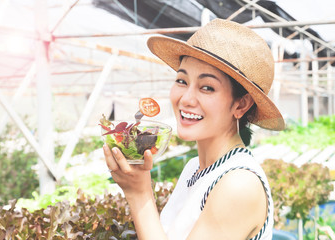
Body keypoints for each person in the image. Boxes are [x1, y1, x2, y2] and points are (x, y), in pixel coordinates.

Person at [103, 18, 285, 240]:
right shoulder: (194, 168)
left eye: (207, 87)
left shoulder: (238, 184)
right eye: (181, 80)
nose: (186, 99)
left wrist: (139, 194)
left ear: (241, 104)